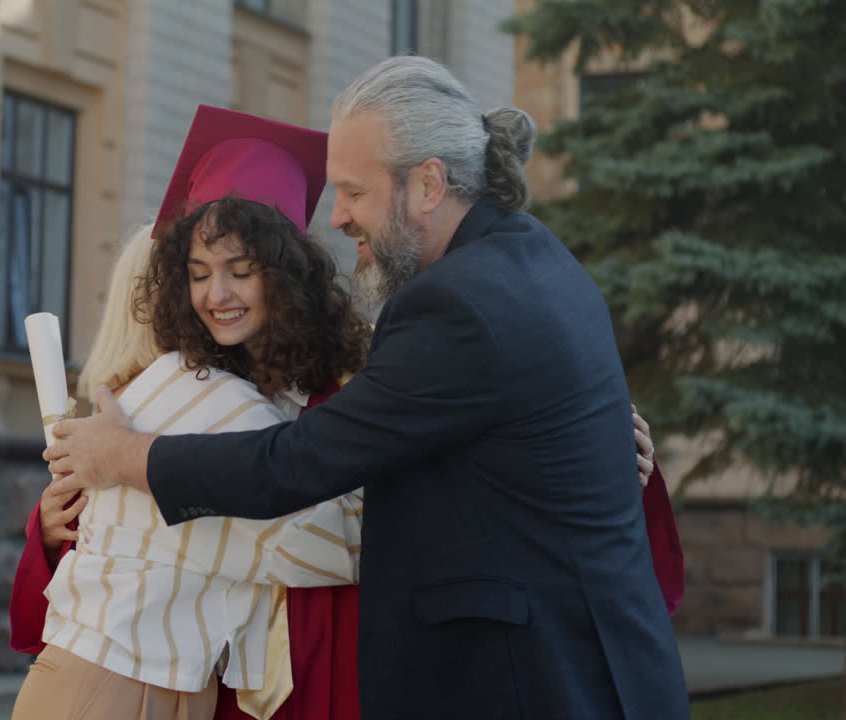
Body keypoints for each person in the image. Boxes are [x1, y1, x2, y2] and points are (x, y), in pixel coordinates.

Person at [43, 58, 691, 719]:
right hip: (578, 671)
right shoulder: (534, 257)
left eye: (354, 191)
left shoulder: (456, 305)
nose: (340, 215)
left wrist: (123, 456)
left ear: (429, 184)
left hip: (533, 681)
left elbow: (295, 464)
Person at [10, 107, 369, 720]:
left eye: (241, 271)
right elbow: (97, 566)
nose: (217, 296)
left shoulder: (344, 395)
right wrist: (49, 528)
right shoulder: (169, 390)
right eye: (199, 275)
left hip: (309, 674)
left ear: (287, 275)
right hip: (196, 686)